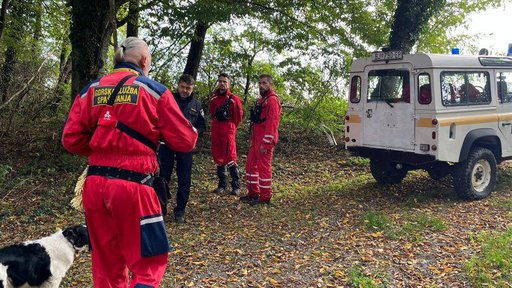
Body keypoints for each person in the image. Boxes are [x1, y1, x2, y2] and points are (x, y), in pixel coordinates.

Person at [62, 37, 198, 288]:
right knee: (149, 262)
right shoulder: (154, 91)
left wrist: (102, 149)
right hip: (134, 186)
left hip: (94, 186)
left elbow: (70, 139)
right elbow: (186, 140)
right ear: (144, 61)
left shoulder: (90, 90)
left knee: (106, 266)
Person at [158, 74, 205, 223]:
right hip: (167, 144)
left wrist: (194, 133)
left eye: (188, 88)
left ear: (193, 88)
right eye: (182, 87)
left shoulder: (197, 105)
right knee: (163, 177)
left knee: (184, 178)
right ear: (177, 85)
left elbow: (202, 125)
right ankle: (161, 208)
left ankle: (180, 210)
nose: (185, 90)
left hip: (185, 147)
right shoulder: (168, 100)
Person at [241, 74, 282, 206]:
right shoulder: (262, 100)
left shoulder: (272, 100)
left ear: (271, 85)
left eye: (264, 83)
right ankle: (253, 193)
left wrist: (267, 142)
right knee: (250, 166)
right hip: (256, 139)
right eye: (259, 83)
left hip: (265, 140)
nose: (261, 85)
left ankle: (265, 198)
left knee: (263, 169)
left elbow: (272, 123)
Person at [209, 73, 243, 195]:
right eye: (220, 81)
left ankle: (236, 185)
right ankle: (222, 185)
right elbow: (212, 114)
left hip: (228, 129)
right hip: (216, 130)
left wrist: (231, 128)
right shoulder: (213, 99)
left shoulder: (234, 99)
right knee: (218, 157)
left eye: (224, 81)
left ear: (228, 83)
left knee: (231, 157)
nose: (222, 84)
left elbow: (238, 117)